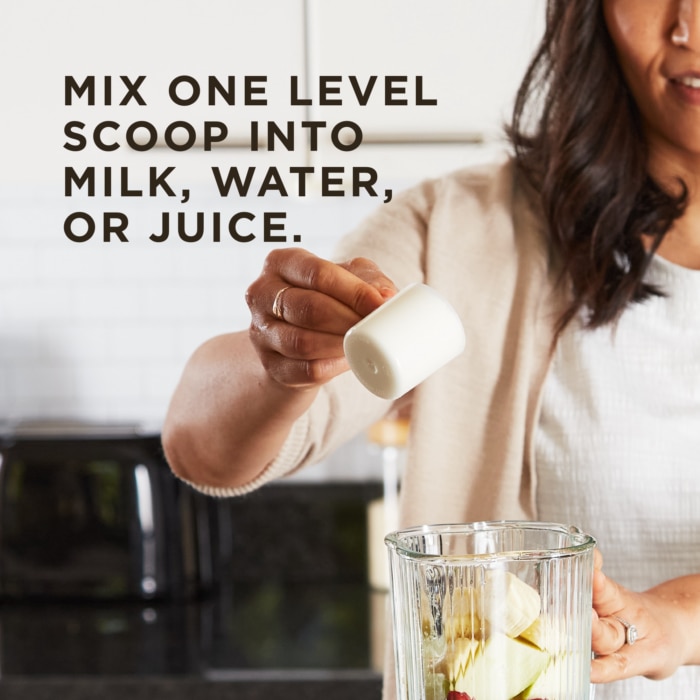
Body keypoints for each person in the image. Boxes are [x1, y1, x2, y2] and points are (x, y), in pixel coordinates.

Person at [162, 0, 700, 697]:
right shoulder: (461, 231)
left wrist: (680, 620)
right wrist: (281, 360)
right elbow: (201, 447)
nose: (689, 25)